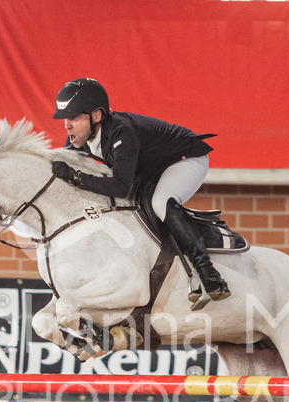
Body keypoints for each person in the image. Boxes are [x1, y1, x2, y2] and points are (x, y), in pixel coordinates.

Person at [49, 78, 230, 306]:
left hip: (185, 159)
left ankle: (208, 274)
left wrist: (75, 177)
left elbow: (120, 187)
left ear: (96, 116)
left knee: (161, 201)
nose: (67, 125)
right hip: (153, 169)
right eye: (65, 118)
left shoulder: (121, 132)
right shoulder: (78, 139)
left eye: (74, 118)